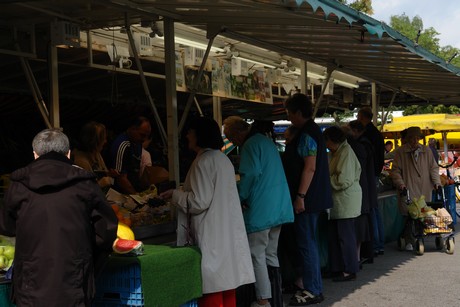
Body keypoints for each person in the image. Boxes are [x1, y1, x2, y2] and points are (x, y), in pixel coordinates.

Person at [0, 128, 118, 307]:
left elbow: (7, 227)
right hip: (74, 277)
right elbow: (106, 230)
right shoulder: (85, 184)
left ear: (35, 154)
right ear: (69, 154)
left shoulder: (18, 185)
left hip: (30, 280)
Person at [159, 117, 255, 307]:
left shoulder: (203, 161)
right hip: (225, 234)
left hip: (211, 236)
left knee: (212, 289)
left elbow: (199, 201)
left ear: (199, 135)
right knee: (227, 286)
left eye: (190, 131)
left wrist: (176, 195)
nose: (187, 135)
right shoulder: (222, 159)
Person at [223, 116, 294, 307]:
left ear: (238, 134)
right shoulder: (266, 141)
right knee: (271, 253)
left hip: (261, 208)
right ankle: (276, 298)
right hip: (278, 206)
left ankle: (263, 300)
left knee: (257, 254)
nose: (232, 142)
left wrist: (239, 197)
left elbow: (250, 173)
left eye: (231, 138)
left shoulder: (250, 145)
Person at [282, 93, 333, 306]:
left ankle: (312, 289)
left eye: (290, 113)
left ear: (298, 112)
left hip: (308, 200)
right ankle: (313, 286)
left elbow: (309, 167)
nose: (289, 117)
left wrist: (300, 196)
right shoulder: (313, 131)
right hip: (316, 198)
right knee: (308, 243)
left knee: (306, 244)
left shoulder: (307, 134)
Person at [390, 126, 442, 250]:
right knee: (409, 215)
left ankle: (421, 236)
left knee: (423, 213)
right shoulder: (400, 152)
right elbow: (395, 171)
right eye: (412, 138)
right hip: (408, 187)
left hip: (424, 187)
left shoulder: (426, 150)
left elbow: (433, 168)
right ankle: (409, 239)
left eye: (416, 138)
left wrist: (437, 182)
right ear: (407, 139)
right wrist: (400, 183)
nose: (414, 140)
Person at [323, 126, 361, 282]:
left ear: (332, 141)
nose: (325, 144)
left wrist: (326, 181)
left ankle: (349, 269)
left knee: (345, 237)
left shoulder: (345, 152)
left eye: (326, 141)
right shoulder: (337, 152)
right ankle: (337, 268)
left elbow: (343, 180)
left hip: (345, 201)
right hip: (339, 201)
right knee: (335, 237)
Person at [347, 120, 377, 266]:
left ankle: (358, 257)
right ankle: (368, 253)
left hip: (360, 190)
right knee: (367, 224)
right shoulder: (366, 145)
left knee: (359, 227)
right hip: (367, 189)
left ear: (356, 131)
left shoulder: (356, 147)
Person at [357, 106, 385, 256]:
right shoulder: (377, 134)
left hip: (369, 175)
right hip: (375, 174)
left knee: (372, 210)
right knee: (376, 209)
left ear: (362, 117)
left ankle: (375, 243)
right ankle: (379, 243)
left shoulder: (367, 135)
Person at [109, 116, 152, 194]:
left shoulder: (138, 143)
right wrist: (136, 196)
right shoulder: (123, 144)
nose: (144, 139)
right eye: (142, 135)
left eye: (147, 136)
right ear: (133, 129)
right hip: (120, 194)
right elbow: (121, 178)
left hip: (133, 191)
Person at [72, 121, 119, 190]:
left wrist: (109, 174)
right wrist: (100, 184)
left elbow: (102, 173)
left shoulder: (96, 153)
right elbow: (83, 190)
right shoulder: (80, 161)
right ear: (94, 141)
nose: (105, 141)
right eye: (103, 138)